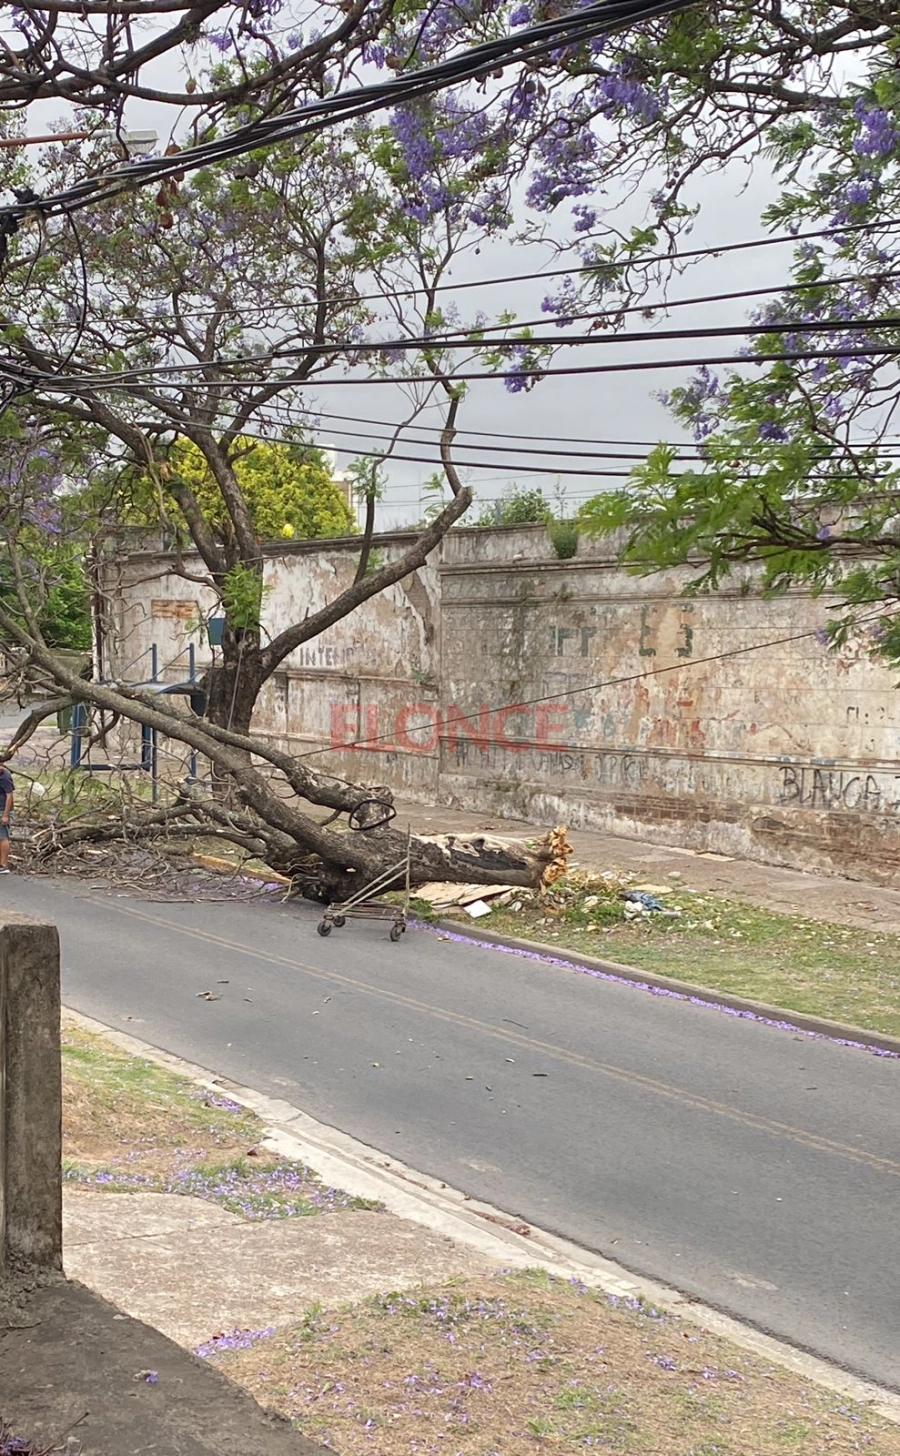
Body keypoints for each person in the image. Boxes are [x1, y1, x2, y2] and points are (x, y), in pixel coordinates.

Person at [0, 756, 13, 873]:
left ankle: (4, 865)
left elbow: (9, 796)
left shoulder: (5, 777)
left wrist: (5, 815)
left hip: (2, 810)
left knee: (3, 836)